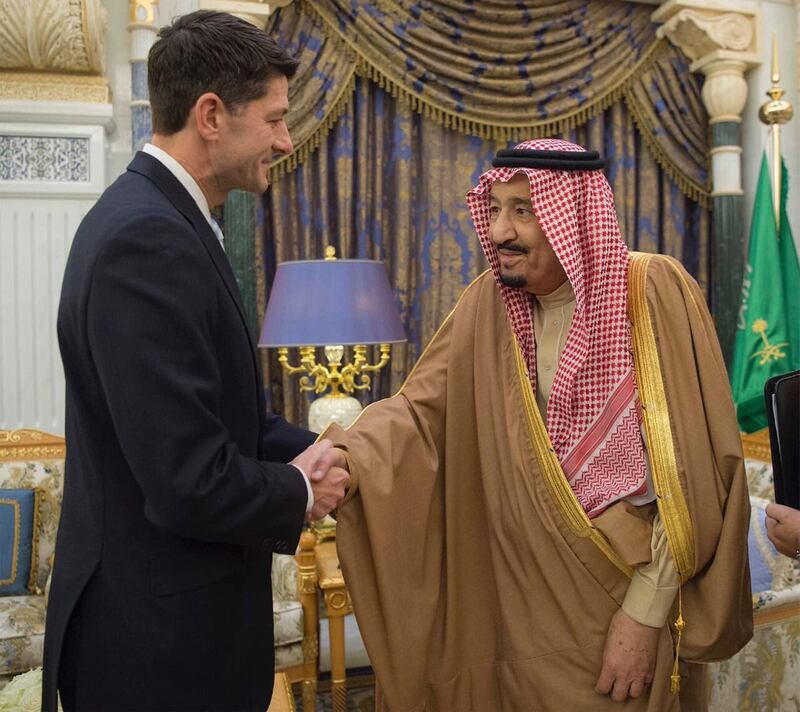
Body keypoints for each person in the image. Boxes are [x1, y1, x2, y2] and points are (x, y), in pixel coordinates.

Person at [325, 139, 752, 710]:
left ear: (572, 214)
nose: (500, 230)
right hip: (517, 606)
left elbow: (694, 477)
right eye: (494, 207)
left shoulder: (651, 293)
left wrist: (645, 615)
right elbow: (416, 415)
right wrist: (342, 461)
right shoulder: (486, 306)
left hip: (618, 602)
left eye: (523, 210)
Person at [42, 11, 348, 712]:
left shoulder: (164, 220)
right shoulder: (146, 241)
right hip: (156, 656)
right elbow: (187, 479)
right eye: (273, 118)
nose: (286, 138)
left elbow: (223, 417)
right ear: (212, 115)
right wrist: (301, 491)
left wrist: (343, 448)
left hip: (171, 637)